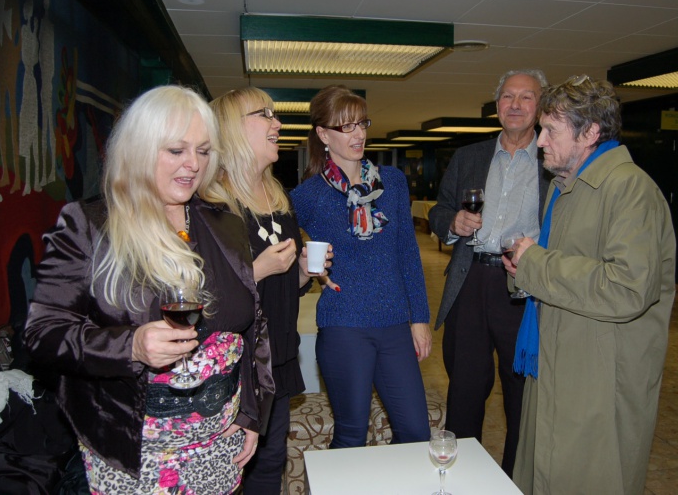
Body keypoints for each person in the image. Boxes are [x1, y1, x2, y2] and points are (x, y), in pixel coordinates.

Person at [23, 85, 275, 493]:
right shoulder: (87, 225)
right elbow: (42, 334)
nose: (193, 164)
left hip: (220, 446)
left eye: (203, 151)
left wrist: (251, 410)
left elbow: (252, 326)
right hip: (134, 451)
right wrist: (131, 346)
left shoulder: (224, 223)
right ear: (139, 149)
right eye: (176, 150)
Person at [504, 74, 675, 494]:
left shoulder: (631, 190)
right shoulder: (563, 187)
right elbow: (561, 271)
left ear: (590, 133)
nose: (540, 141)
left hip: (599, 379)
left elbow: (628, 288)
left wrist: (535, 263)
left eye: (551, 131)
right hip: (554, 363)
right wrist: (523, 269)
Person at [290, 85, 432, 449]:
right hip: (344, 325)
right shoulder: (309, 195)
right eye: (346, 126)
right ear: (323, 135)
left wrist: (419, 318)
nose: (358, 134)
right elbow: (280, 249)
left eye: (362, 124)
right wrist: (304, 268)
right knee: (352, 435)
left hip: (395, 323)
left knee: (416, 432)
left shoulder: (393, 182)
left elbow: (407, 252)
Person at [207, 87, 331, 494]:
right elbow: (203, 297)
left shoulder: (279, 199)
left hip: (275, 356)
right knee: (228, 471)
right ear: (232, 129)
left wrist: (301, 274)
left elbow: (282, 288)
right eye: (264, 114)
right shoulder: (211, 204)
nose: (277, 123)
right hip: (235, 365)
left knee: (270, 461)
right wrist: (258, 269)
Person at [428, 69, 551, 476]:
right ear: (496, 105)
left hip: (524, 286)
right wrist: (452, 222)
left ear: (540, 106)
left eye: (526, 97)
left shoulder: (552, 161)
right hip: (471, 281)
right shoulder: (469, 157)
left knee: (522, 394)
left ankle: (516, 479)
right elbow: (439, 209)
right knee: (464, 388)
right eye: (507, 97)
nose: (515, 105)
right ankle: (462, 478)